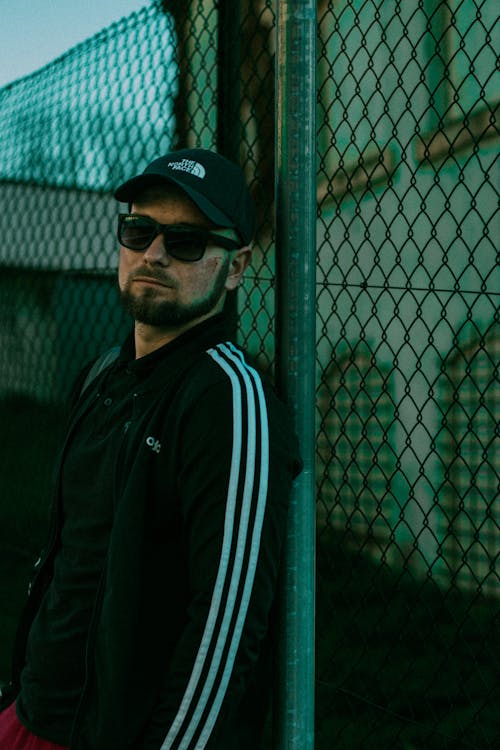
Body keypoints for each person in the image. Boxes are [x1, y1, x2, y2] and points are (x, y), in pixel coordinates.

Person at [0, 148, 301, 749]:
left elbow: (226, 631)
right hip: (30, 714)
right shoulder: (101, 375)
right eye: (139, 231)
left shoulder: (229, 399)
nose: (154, 254)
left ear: (236, 266)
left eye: (187, 241)